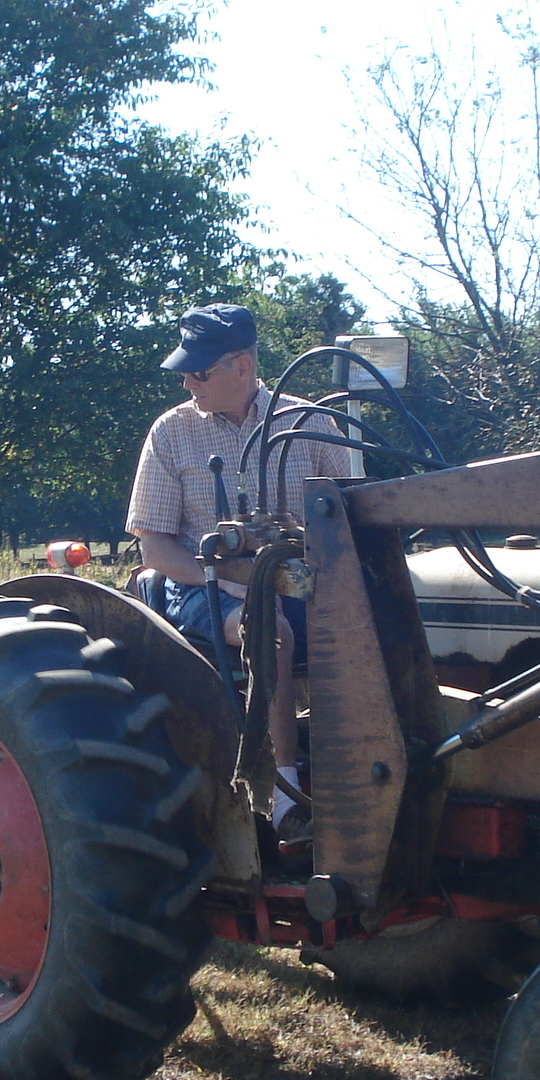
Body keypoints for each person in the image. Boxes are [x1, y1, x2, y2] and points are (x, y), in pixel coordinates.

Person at [126, 303, 356, 821]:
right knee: (268, 630)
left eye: (199, 371)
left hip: (294, 579)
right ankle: (282, 794)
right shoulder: (171, 433)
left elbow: (346, 523)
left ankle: (356, 762)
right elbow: (156, 550)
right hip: (196, 585)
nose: (188, 383)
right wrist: (230, 582)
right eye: (185, 371)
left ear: (242, 367)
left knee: (366, 623)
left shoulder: (308, 423)